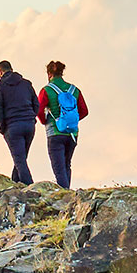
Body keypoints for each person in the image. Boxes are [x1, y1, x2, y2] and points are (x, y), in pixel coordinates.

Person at [34, 60, 89, 188]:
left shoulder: (47, 90)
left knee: (58, 167)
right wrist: (71, 121)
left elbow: (38, 109)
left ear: (49, 74)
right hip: (72, 133)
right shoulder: (74, 90)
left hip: (55, 132)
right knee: (66, 164)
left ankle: (65, 194)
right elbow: (84, 111)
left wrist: (44, 121)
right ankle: (67, 190)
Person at [0, 60, 41, 184]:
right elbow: (36, 103)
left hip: (12, 126)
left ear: (0, 72)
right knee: (20, 158)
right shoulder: (26, 84)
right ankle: (15, 182)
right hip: (29, 125)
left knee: (19, 160)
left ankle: (30, 187)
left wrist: (2, 127)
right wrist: (31, 118)